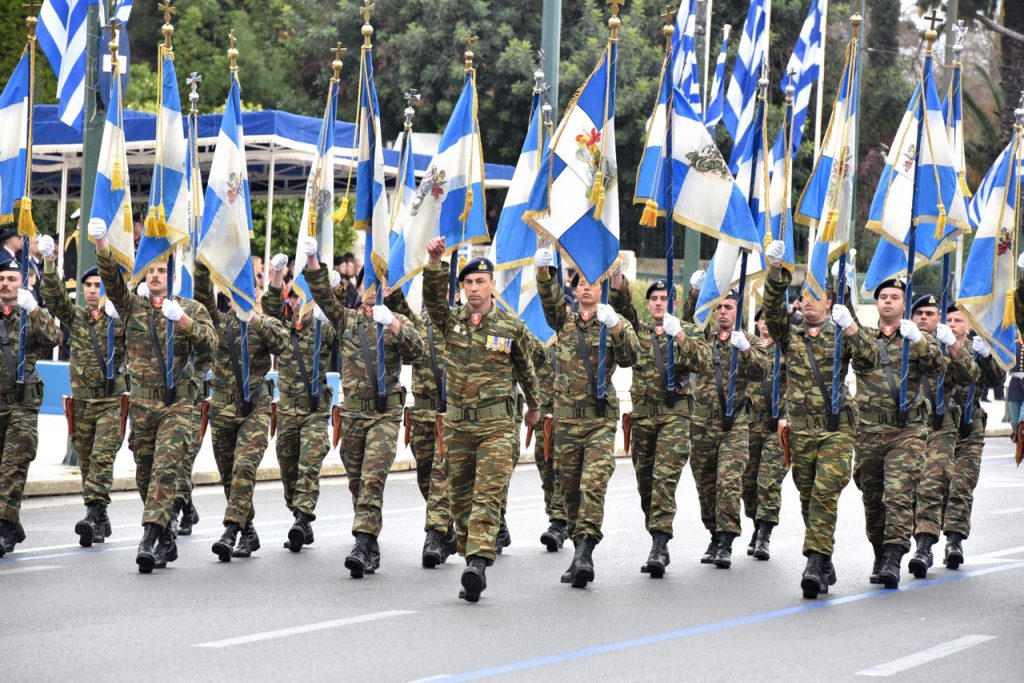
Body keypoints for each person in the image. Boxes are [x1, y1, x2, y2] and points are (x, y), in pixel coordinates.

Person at [92, 220, 216, 573]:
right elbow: (113, 282)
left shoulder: (190, 309)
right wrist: (102, 244)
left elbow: (212, 344)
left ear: (172, 275)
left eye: (162, 270)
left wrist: (184, 322)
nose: (156, 275)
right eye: (151, 270)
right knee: (145, 474)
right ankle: (166, 536)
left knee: (165, 469)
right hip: (143, 406)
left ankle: (148, 537)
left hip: (178, 404)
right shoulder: (134, 307)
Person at [423, 237, 540, 602]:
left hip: (496, 428)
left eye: (480, 282)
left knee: (487, 496)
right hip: (458, 426)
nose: (474, 288)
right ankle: (468, 551)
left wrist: (534, 407)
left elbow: (526, 370)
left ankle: (477, 564)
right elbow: (432, 301)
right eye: (468, 282)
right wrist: (434, 263)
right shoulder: (451, 321)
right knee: (460, 501)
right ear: (462, 287)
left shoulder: (510, 326)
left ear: (491, 285)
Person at [302, 236, 423, 579]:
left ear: (385, 287)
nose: (371, 290)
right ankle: (370, 543)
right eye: (365, 283)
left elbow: (418, 352)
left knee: (372, 477)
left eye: (377, 283)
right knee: (357, 481)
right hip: (353, 414)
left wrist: (394, 324)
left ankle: (361, 542)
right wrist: (312, 261)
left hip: (384, 414)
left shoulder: (397, 321)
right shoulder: (347, 320)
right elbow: (324, 297)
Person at [764, 241, 866, 598]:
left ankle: (812, 562)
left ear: (829, 302)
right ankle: (824, 558)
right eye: (804, 296)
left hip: (836, 430)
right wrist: (775, 272)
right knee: (807, 496)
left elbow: (868, 357)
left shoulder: (841, 334)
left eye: (815, 296)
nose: (807, 301)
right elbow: (772, 312)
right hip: (802, 432)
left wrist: (851, 326)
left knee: (824, 494)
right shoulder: (790, 337)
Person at [536, 247, 639, 588]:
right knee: (569, 491)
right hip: (566, 421)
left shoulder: (611, 322)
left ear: (601, 287)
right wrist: (543, 270)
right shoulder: (564, 322)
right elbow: (550, 301)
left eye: (591, 281)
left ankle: (584, 552)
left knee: (592, 485)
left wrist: (617, 326)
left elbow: (631, 357)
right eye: (579, 281)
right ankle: (577, 544)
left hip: (598, 422)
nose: (584, 286)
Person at [609, 274, 709, 577]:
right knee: (646, 484)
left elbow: (703, 361)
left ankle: (659, 544)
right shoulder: (637, 332)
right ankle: (656, 532)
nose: (658, 303)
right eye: (653, 299)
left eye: (664, 299)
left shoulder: (686, 330)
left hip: (675, 416)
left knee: (664, 479)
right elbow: (623, 310)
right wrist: (617, 284)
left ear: (673, 303)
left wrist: (680, 336)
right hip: (643, 418)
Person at [193, 262, 290, 562]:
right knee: (228, 475)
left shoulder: (265, 323)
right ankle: (248, 530)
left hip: (255, 407)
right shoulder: (219, 323)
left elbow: (283, 344)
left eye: (250, 290)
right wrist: (202, 264)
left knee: (244, 467)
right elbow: (202, 297)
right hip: (223, 407)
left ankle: (230, 530)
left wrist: (255, 319)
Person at [849, 277, 942, 589]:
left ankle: (893, 555)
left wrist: (918, 340)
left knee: (898, 492)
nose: (888, 301)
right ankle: (879, 551)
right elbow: (848, 342)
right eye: (883, 297)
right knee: (872, 498)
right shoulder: (864, 337)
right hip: (868, 430)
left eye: (895, 297)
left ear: (904, 304)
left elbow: (937, 367)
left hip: (906, 431)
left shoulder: (915, 338)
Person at [39, 235, 127, 547]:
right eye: (88, 285)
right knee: (87, 461)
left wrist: (124, 315)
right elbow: (55, 298)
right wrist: (50, 262)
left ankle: (92, 514)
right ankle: (100, 517)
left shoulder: (120, 319)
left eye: (98, 285)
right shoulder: (76, 317)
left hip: (110, 401)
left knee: (102, 457)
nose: (92, 290)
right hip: (82, 401)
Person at [684, 276, 769, 569]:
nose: (722, 312)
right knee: (706, 485)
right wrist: (696, 293)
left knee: (729, 482)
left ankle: (726, 540)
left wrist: (744, 349)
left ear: (737, 311)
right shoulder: (703, 339)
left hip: (734, 425)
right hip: (702, 425)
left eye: (729, 307)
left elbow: (762, 371)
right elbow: (689, 323)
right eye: (718, 307)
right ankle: (713, 533)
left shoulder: (750, 341)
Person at [263, 253, 337, 551]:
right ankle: (299, 516)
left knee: (309, 463)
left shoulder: (324, 328)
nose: (297, 302)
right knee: (288, 467)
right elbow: (269, 311)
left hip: (315, 410)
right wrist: (276, 275)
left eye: (301, 297)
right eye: (293, 297)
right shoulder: (282, 328)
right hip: (287, 411)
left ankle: (303, 518)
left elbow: (344, 322)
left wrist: (330, 294)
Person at [384, 284, 458, 567]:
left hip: (450, 415)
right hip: (422, 415)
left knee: (441, 477)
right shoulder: (417, 322)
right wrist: (390, 285)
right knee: (426, 479)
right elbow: (398, 305)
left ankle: (434, 536)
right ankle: (447, 531)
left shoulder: (461, 323)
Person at [908, 294, 977, 579]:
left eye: (930, 314)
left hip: (946, 423)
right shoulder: (902, 342)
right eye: (919, 313)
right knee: (912, 487)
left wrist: (957, 348)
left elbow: (972, 376)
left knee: (942, 483)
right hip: (910, 424)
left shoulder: (947, 346)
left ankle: (932, 544)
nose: (924, 318)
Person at [0, 259, 60, 557]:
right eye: (1, 278)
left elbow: (54, 338)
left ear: (22, 283)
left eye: (11, 278)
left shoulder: (30, 314)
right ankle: (12, 522)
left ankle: (3, 527)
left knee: (13, 466)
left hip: (22, 404)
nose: (5, 284)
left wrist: (34, 309)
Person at [942, 306, 1004, 569]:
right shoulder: (932, 347)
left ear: (968, 326)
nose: (953, 324)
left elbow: (997, 380)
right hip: (938, 427)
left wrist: (987, 356)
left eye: (958, 320)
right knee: (934, 487)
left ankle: (954, 540)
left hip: (969, 427)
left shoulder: (976, 351)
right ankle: (925, 542)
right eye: (948, 319)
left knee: (962, 486)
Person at [741, 307, 790, 562]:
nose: (765, 324)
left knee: (768, 481)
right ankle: (756, 524)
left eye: (770, 320)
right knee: (747, 483)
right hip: (751, 424)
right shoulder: (749, 349)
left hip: (778, 425)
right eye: (761, 319)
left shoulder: (787, 349)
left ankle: (764, 534)